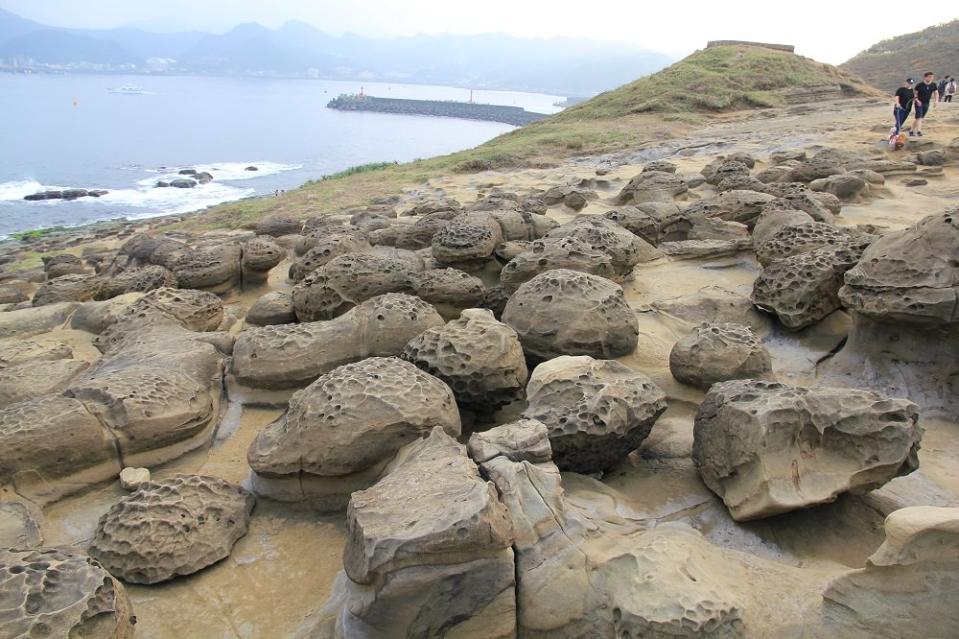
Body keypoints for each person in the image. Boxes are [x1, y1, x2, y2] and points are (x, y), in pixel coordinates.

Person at [911, 71, 939, 137]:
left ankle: (911, 131)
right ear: (925, 77)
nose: (931, 78)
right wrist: (917, 100)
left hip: (926, 103)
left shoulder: (933, 85)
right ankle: (919, 132)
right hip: (918, 103)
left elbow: (936, 93)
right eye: (929, 77)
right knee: (919, 117)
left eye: (932, 77)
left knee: (919, 118)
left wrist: (936, 101)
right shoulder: (919, 85)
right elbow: (914, 94)